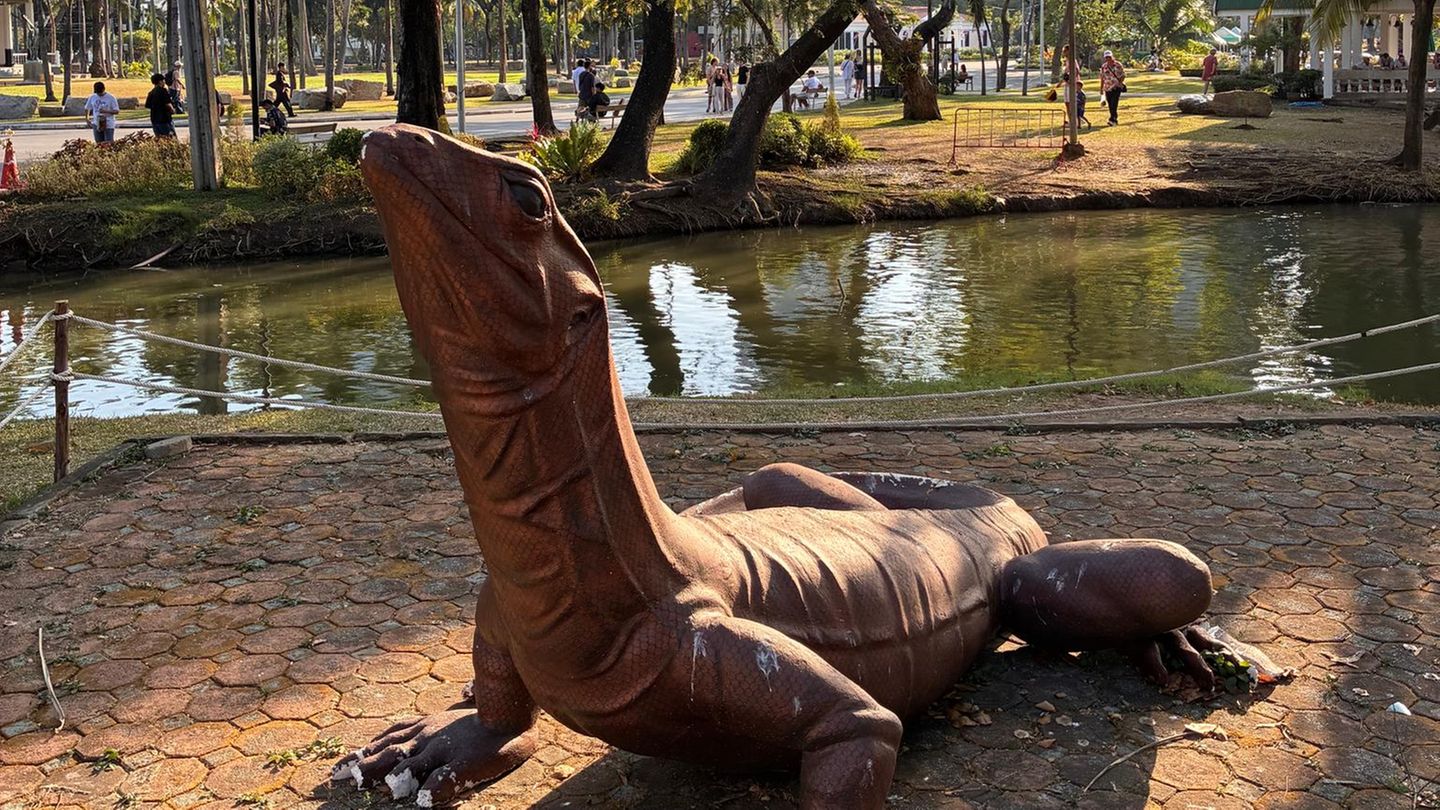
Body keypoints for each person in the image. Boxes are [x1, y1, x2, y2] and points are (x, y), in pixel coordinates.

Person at [144, 72, 175, 137]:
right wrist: (172, 110)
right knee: (170, 139)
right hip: (164, 119)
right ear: (160, 81)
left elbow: (148, 105)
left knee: (159, 140)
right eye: (163, 80)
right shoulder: (163, 91)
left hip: (154, 120)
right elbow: (168, 103)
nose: (164, 82)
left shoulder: (151, 93)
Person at [1100, 50, 1126, 126]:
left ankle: (1113, 119)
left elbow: (1123, 75)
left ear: (1112, 56)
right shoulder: (1104, 66)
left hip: (1116, 87)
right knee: (1110, 104)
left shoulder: (1118, 65)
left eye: (1109, 57)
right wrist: (1101, 88)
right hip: (1107, 87)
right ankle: (1113, 118)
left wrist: (1119, 83)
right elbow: (1102, 78)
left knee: (1114, 103)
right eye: (1106, 57)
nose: (1108, 58)